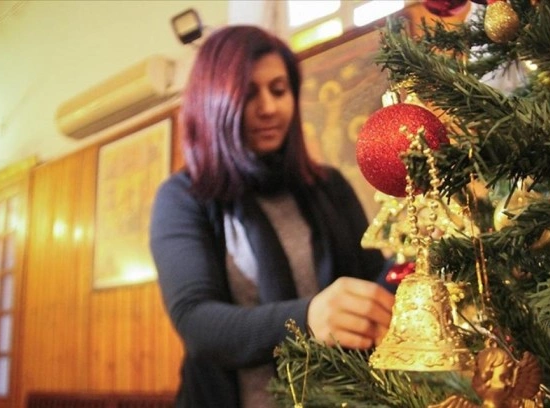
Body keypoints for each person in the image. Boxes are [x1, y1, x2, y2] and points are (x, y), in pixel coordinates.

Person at [149, 25, 395, 408]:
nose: (268, 107)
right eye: (248, 94)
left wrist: (406, 267)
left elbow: (371, 280)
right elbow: (197, 322)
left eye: (279, 90)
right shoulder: (183, 198)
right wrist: (309, 319)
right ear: (215, 102)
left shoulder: (330, 186)